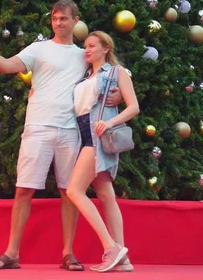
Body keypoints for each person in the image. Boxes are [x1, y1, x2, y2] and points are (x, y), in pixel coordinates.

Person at [0, 0, 122, 271]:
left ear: (76, 20)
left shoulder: (83, 55)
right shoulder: (38, 48)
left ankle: (68, 253)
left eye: (64, 18)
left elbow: (106, 77)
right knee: (23, 190)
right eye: (55, 18)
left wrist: (117, 95)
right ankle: (12, 253)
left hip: (70, 131)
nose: (59, 23)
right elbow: (8, 66)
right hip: (38, 127)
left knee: (69, 192)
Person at [66, 31, 139, 272]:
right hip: (84, 133)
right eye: (85, 46)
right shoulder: (85, 76)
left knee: (75, 191)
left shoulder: (115, 73)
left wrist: (109, 122)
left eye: (91, 46)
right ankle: (123, 259)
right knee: (106, 195)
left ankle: (111, 247)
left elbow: (134, 107)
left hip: (97, 136)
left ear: (105, 48)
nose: (86, 50)